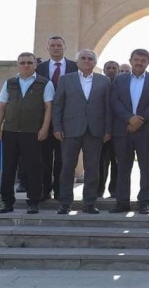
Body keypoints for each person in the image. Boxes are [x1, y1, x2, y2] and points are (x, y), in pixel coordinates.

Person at [52, 49, 112, 215]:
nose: (86, 61)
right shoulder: (65, 79)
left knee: (92, 168)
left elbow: (108, 107)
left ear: (95, 63)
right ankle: (65, 203)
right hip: (70, 130)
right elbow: (58, 105)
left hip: (95, 130)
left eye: (90, 59)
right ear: (77, 62)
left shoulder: (104, 80)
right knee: (67, 167)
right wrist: (57, 127)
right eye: (83, 58)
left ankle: (89, 203)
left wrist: (108, 130)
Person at [0, 52, 54, 214]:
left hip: (32, 132)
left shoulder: (44, 83)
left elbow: (49, 108)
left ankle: (33, 202)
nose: (26, 65)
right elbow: (1, 106)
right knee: (8, 168)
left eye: (29, 62)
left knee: (33, 168)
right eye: (23, 62)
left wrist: (44, 128)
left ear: (35, 65)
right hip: (10, 131)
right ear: (18, 64)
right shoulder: (10, 83)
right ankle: (7, 202)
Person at [109, 49, 149, 214]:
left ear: (148, 63)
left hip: (147, 131)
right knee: (123, 167)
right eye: (136, 59)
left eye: (143, 60)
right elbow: (114, 101)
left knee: (146, 168)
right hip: (123, 130)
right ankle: (122, 202)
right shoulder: (119, 80)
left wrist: (139, 120)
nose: (139, 63)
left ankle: (144, 202)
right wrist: (129, 118)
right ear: (130, 61)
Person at [35, 36, 78, 201]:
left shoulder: (75, 67)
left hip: (67, 121)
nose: (56, 48)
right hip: (44, 120)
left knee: (63, 159)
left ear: (64, 47)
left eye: (59, 45)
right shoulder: (39, 68)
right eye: (52, 45)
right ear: (48, 48)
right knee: (44, 158)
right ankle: (45, 190)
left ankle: (60, 191)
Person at [98, 60, 120, 198]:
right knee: (101, 163)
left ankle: (115, 191)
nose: (111, 70)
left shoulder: (122, 85)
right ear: (104, 70)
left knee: (116, 163)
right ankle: (99, 190)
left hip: (118, 132)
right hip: (101, 132)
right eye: (108, 68)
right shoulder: (99, 85)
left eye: (114, 68)